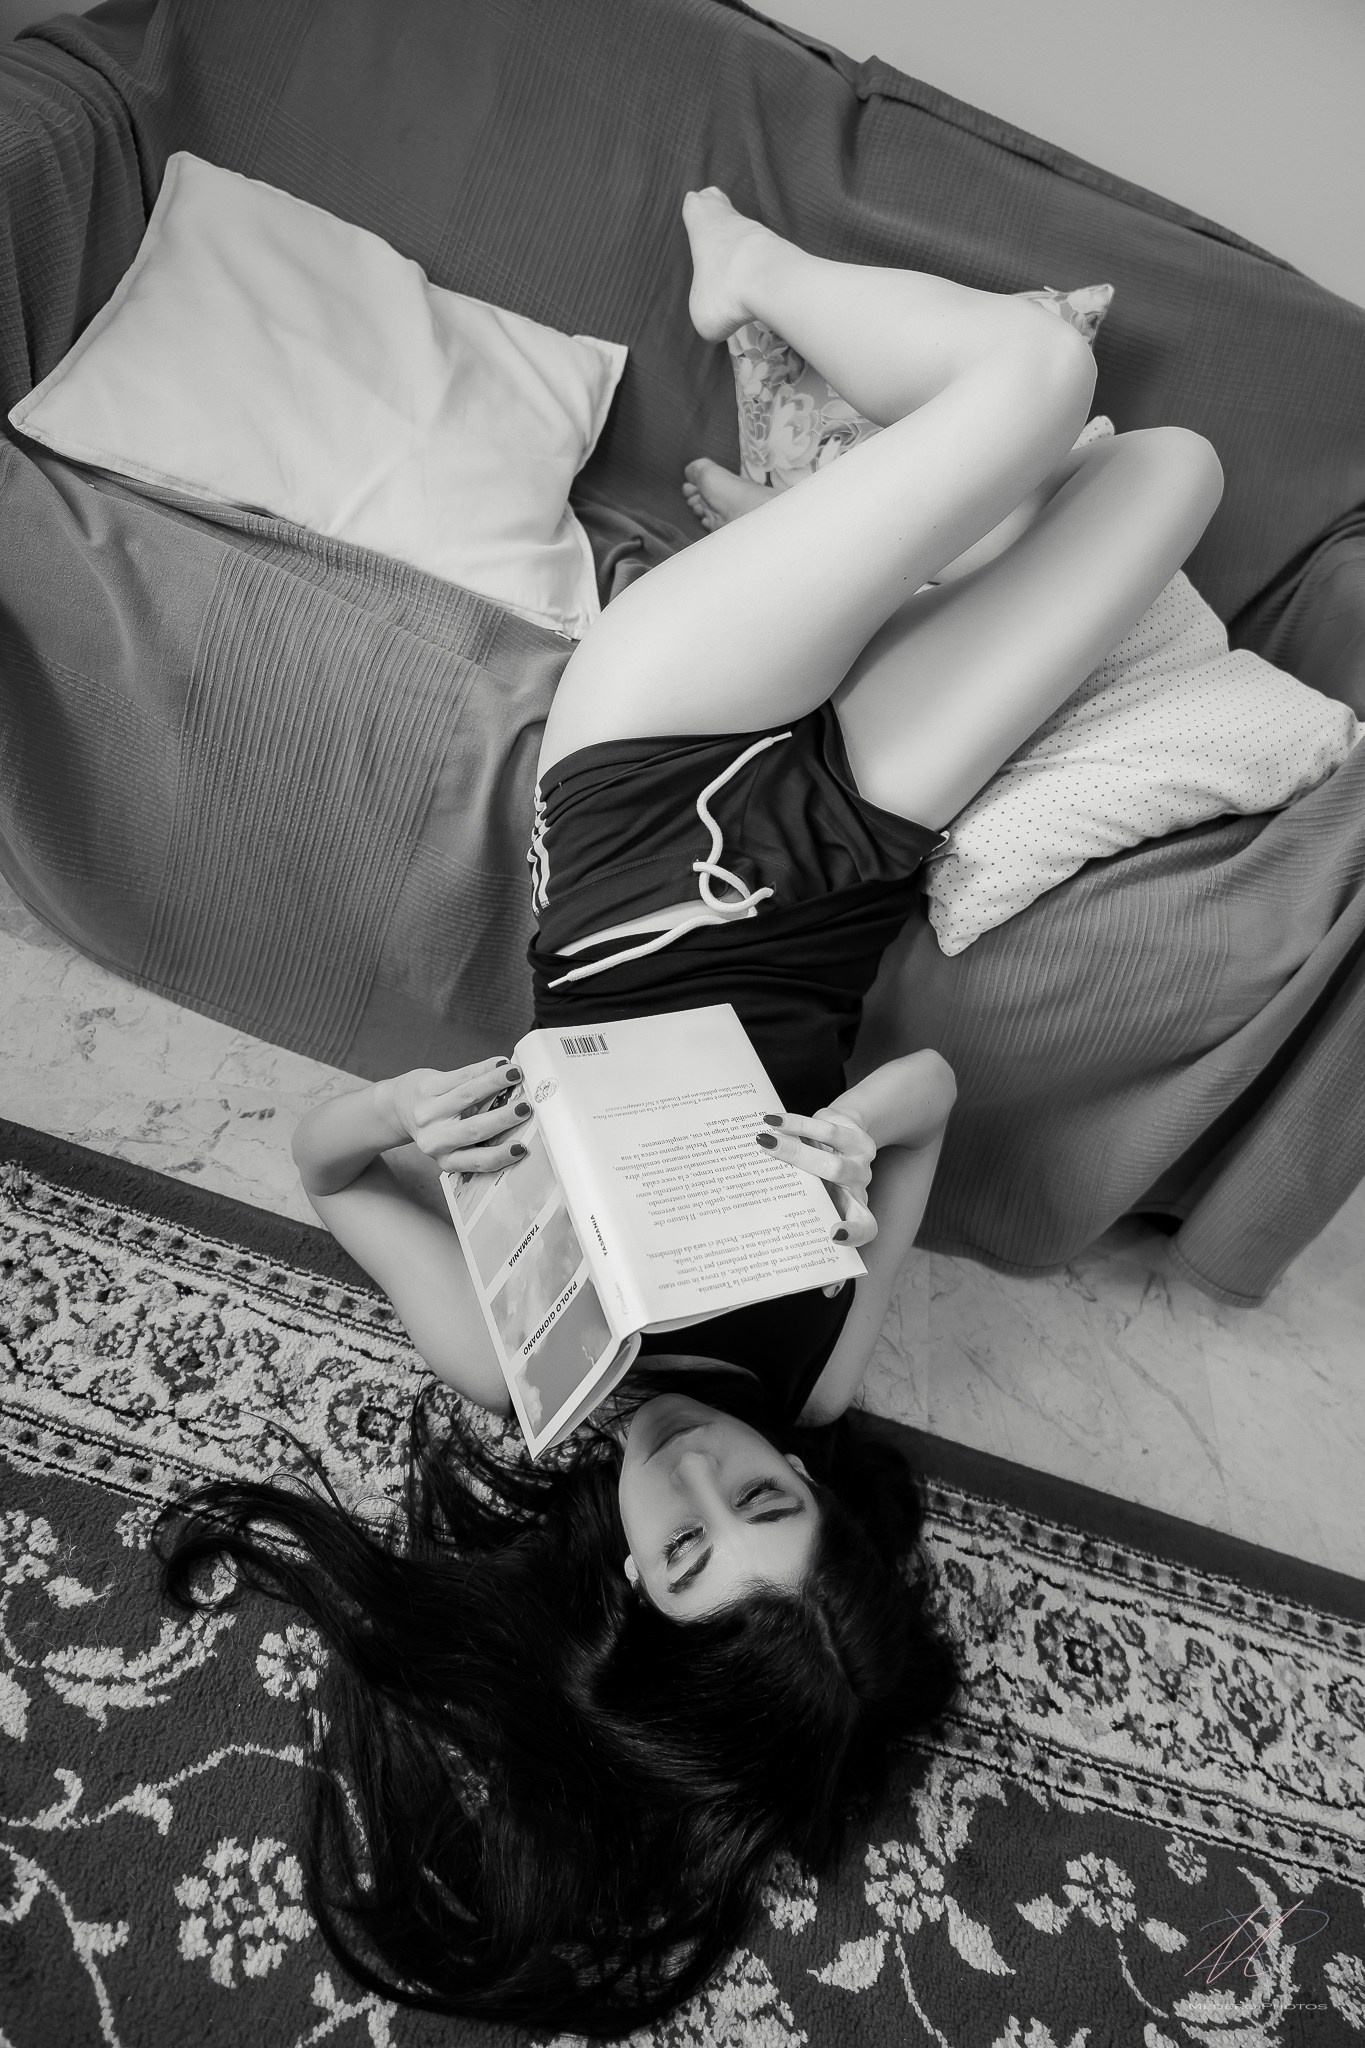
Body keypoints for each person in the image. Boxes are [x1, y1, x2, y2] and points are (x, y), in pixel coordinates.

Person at [159, 189, 1223, 2034]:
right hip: (852, 846)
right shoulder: (810, 1371)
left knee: (1039, 375)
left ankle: (761, 306)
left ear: (608, 1586)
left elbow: (322, 1174)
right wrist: (850, 1139)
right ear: (809, 1487)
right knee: (1169, 475)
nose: (693, 1474)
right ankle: (833, 531)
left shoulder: (526, 1364)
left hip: (650, 789)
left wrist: (405, 1114)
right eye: (761, 1501)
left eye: (676, 1543)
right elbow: (929, 1098)